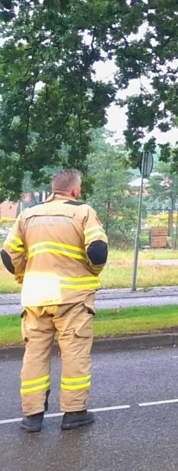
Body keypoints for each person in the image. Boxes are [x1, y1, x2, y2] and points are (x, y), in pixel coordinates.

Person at [1, 169, 107, 432]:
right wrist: (91, 272)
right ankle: (74, 413)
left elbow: (7, 255)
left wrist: (26, 276)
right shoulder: (83, 212)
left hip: (36, 297)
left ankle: (32, 416)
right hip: (73, 298)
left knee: (35, 354)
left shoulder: (28, 214)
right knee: (74, 354)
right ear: (75, 190)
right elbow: (97, 250)